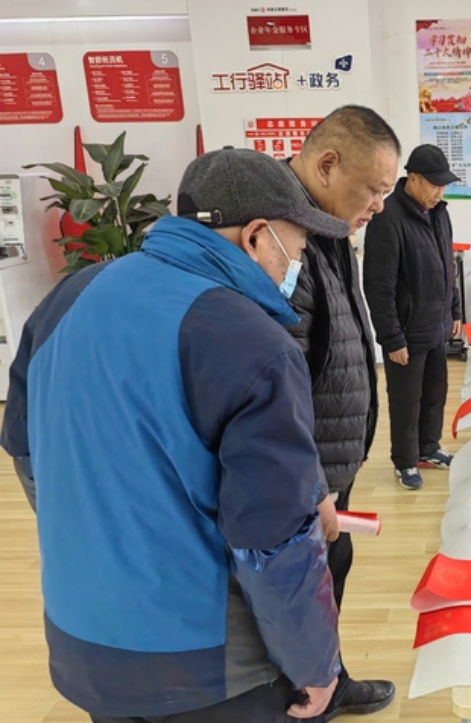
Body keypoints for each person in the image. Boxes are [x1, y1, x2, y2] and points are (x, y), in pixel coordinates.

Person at [0, 148, 350, 722]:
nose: (300, 263)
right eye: (300, 246)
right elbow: (273, 541)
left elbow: (25, 450)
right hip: (208, 670)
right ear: (257, 237)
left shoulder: (69, 296)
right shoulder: (253, 343)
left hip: (84, 641)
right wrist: (316, 667)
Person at [285, 105, 399, 718]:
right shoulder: (281, 240)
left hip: (330, 456)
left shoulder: (327, 227)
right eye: (374, 189)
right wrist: (311, 484)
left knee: (331, 572)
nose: (379, 205)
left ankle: (328, 680)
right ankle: (310, 696)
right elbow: (274, 387)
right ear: (327, 165)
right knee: (300, 591)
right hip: (305, 469)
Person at [362, 144, 462, 490]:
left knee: (435, 393)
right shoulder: (387, 218)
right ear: (413, 178)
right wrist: (392, 338)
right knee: (406, 400)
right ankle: (405, 461)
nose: (439, 192)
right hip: (406, 330)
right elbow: (378, 286)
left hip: (436, 324)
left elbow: (448, 267)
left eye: (443, 185)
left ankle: (428, 448)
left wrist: (454, 310)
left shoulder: (440, 213)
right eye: (434, 185)